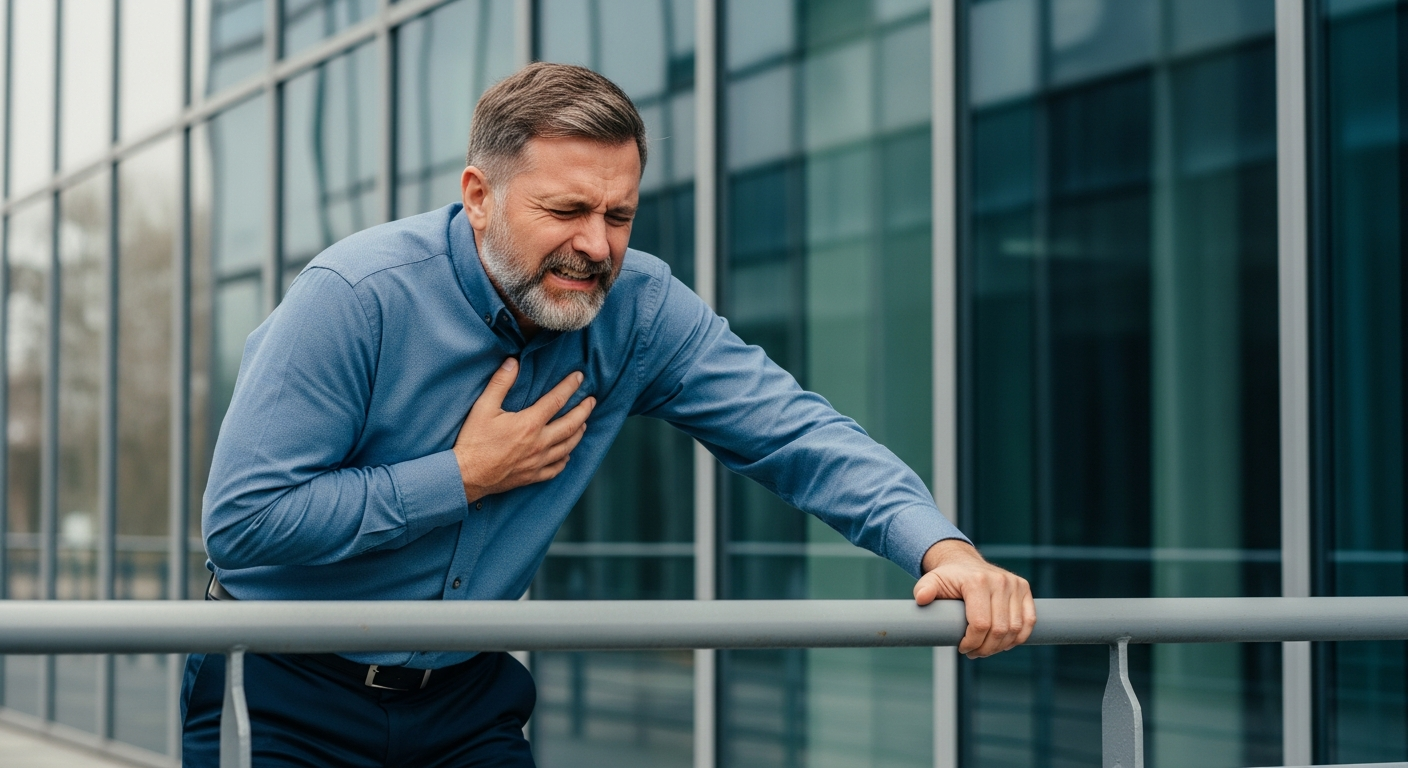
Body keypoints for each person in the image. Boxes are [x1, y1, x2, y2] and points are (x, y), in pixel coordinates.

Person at [182, 62, 1036, 767]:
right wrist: (462, 476)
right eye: (566, 211)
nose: (598, 244)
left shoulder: (640, 308)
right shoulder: (355, 297)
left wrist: (941, 545)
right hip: (283, 691)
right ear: (479, 195)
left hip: (467, 697)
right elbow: (244, 525)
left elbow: (794, 431)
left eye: (618, 214)